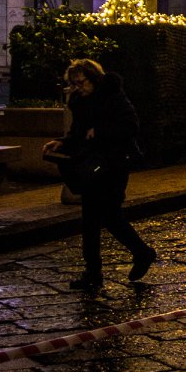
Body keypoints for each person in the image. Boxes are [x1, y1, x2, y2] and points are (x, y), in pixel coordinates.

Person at [61, 61, 157, 292]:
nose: (78, 88)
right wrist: (61, 143)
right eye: (74, 84)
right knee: (90, 220)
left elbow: (130, 126)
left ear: (93, 78)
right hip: (92, 165)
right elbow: (77, 133)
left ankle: (141, 252)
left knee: (110, 216)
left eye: (81, 83)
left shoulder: (114, 97)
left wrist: (101, 131)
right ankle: (94, 272)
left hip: (114, 164)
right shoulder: (79, 101)